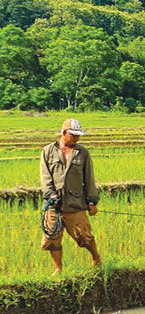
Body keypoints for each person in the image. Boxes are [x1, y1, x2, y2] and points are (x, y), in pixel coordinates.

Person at [40, 118, 101, 275]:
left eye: (78, 135)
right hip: (53, 204)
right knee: (52, 238)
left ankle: (96, 258)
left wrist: (92, 201)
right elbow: (45, 176)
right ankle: (58, 269)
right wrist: (51, 194)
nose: (76, 138)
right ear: (64, 132)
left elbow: (89, 179)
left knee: (84, 236)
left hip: (75, 203)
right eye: (73, 134)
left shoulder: (82, 153)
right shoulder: (48, 151)